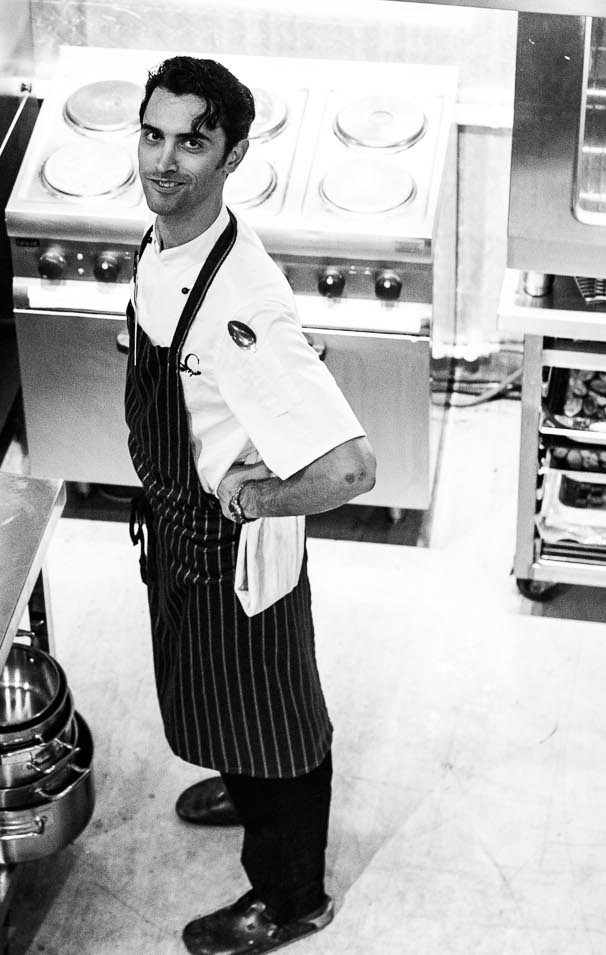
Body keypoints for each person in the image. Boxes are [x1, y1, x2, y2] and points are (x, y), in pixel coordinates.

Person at [123, 55, 377, 955]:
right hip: (180, 532)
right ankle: (244, 776)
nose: (164, 161)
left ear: (231, 155)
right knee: (224, 704)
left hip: (237, 555)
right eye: (154, 135)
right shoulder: (168, 244)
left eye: (193, 142)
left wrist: (261, 495)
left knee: (279, 720)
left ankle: (290, 895)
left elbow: (351, 468)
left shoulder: (242, 303)